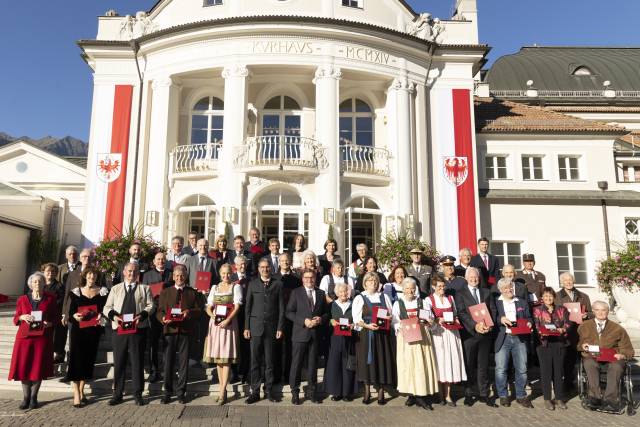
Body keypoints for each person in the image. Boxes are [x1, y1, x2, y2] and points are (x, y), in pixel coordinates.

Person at [103, 262, 154, 406]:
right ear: (124, 272)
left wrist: (142, 315)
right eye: (129, 271)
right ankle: (117, 394)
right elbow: (107, 307)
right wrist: (114, 316)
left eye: (134, 271)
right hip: (119, 331)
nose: (132, 274)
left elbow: (151, 305)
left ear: (138, 273)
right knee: (119, 362)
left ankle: (138, 394)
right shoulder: (115, 289)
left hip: (138, 331)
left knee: (137, 362)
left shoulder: (145, 289)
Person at [9, 272, 57, 410]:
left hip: (42, 339)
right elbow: (15, 318)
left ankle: (34, 397)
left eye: (40, 281)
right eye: (35, 282)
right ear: (30, 284)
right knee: (24, 367)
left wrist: (50, 324)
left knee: (38, 368)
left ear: (44, 283)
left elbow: (56, 317)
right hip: (24, 339)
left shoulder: (51, 299)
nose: (37, 284)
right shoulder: (22, 299)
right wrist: (22, 316)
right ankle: (25, 398)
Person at [577, 301, 634, 412]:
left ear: (608, 311)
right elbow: (579, 344)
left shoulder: (618, 328)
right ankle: (594, 397)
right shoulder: (584, 326)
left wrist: (622, 355)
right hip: (592, 357)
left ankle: (611, 400)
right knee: (589, 363)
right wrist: (582, 346)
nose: (601, 312)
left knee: (617, 366)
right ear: (593, 311)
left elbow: (628, 349)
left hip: (612, 358)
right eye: (597, 310)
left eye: (604, 310)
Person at [157, 265, 202, 404]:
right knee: (168, 363)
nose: (179, 278)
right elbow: (159, 311)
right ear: (173, 277)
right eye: (176, 275)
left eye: (182, 275)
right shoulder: (166, 292)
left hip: (185, 331)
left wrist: (189, 312)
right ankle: (167, 392)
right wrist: (163, 319)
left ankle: (181, 392)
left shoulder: (192, 292)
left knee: (183, 364)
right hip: (170, 331)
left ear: (185, 276)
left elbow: (199, 310)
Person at [392, 278, 438, 410]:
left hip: (421, 338)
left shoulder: (422, 302)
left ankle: (421, 396)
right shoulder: (398, 304)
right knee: (408, 365)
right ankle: (411, 394)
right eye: (407, 288)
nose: (410, 290)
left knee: (420, 365)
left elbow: (430, 318)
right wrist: (399, 326)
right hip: (406, 338)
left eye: (412, 288)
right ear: (403, 290)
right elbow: (394, 321)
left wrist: (428, 321)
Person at [244, 258, 285, 404]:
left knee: (269, 362)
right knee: (255, 361)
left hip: (272, 328)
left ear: (271, 269)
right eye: (262, 267)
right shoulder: (253, 283)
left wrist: (280, 327)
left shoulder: (278, 284)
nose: (264, 269)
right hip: (255, 328)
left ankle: (269, 391)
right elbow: (248, 307)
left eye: (267, 267)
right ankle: (254, 391)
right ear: (258, 269)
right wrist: (246, 327)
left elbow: (281, 308)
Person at [66, 267, 108, 407]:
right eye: (89, 274)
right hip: (78, 332)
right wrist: (74, 316)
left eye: (94, 274)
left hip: (93, 332)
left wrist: (102, 315)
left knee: (88, 361)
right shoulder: (76, 292)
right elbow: (71, 313)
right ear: (85, 276)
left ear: (97, 277)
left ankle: (82, 391)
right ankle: (76, 393)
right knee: (76, 361)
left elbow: (105, 310)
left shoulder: (102, 292)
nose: (92, 277)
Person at [454, 267, 496, 407]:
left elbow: (493, 310)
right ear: (466, 278)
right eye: (471, 277)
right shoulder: (460, 293)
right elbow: (461, 313)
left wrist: (490, 324)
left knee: (483, 365)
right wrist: (474, 325)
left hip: (485, 334)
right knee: (469, 364)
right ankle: (468, 393)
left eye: (476, 277)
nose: (474, 279)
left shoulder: (486, 292)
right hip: (470, 334)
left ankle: (483, 394)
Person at [287, 269, 329, 404]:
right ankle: (295, 392)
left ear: (315, 278)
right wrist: (303, 321)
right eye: (306, 277)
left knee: (313, 365)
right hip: (300, 333)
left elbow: (327, 314)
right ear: (302, 279)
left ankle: (312, 392)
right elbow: (289, 312)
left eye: (311, 277)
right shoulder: (296, 293)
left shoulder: (321, 293)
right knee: (296, 365)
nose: (309, 280)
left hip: (315, 335)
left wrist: (320, 319)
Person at [353, 271, 395, 405]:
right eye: (370, 281)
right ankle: (367, 392)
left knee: (381, 361)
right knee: (367, 363)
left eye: (375, 281)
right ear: (365, 284)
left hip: (382, 335)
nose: (373, 283)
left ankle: (381, 392)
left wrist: (389, 318)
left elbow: (391, 314)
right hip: (366, 334)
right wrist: (368, 325)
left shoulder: (384, 297)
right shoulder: (360, 298)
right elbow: (356, 320)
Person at [425, 274, 467, 406]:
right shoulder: (428, 300)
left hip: (451, 333)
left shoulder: (450, 298)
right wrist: (437, 320)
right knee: (440, 362)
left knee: (450, 362)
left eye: (443, 286)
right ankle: (439, 394)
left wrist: (456, 319)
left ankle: (448, 395)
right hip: (438, 334)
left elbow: (455, 314)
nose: (442, 288)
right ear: (433, 287)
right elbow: (428, 319)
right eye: (439, 286)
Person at [491, 278, 533, 408]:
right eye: (505, 288)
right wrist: (500, 319)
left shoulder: (521, 301)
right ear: (500, 290)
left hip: (519, 338)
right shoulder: (496, 303)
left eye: (510, 287)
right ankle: (503, 395)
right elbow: (492, 317)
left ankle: (521, 395)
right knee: (501, 369)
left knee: (522, 368)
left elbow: (528, 317)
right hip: (503, 338)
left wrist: (529, 323)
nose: (508, 290)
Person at [204, 263, 242, 404]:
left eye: (228, 273)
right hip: (215, 325)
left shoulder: (235, 287)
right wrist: (212, 316)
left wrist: (228, 320)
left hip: (229, 325)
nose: (226, 276)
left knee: (226, 359)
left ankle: (222, 392)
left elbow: (237, 306)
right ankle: (222, 389)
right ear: (220, 274)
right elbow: (208, 306)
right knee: (219, 360)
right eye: (223, 273)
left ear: (232, 273)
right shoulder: (215, 287)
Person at [532, 287, 570, 410]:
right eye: (545, 296)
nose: (548, 298)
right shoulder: (537, 310)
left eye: (550, 296)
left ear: (554, 297)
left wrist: (562, 329)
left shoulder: (561, 309)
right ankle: (547, 399)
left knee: (558, 372)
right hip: (544, 344)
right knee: (546, 372)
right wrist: (541, 332)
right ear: (542, 298)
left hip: (559, 343)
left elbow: (568, 323)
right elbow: (536, 325)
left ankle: (559, 398)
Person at [555, 271, 593, 392]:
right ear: (561, 282)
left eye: (570, 280)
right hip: (566, 332)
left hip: (581, 331)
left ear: (574, 281)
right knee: (567, 359)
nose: (568, 282)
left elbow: (592, 313)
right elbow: (554, 314)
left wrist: (586, 315)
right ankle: (568, 382)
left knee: (583, 358)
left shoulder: (583, 296)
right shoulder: (556, 297)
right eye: (565, 280)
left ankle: (586, 383)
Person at [142, 251, 173, 383]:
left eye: (163, 259)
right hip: (154, 313)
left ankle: (167, 370)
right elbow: (143, 293)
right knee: (153, 343)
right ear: (154, 262)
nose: (161, 261)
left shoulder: (171, 274)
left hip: (168, 312)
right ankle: (154, 371)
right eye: (158, 259)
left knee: (168, 342)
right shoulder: (147, 275)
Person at [323, 282, 357, 402]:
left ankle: (347, 393)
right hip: (335, 338)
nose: (344, 293)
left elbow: (358, 319)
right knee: (335, 364)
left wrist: (354, 325)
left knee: (348, 365)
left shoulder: (353, 305)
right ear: (337, 293)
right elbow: (325, 319)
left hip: (349, 339)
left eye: (345, 291)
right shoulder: (332, 305)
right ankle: (336, 392)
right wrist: (331, 322)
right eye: (341, 291)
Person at [273, 253, 301, 383]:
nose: (285, 262)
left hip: (291, 317)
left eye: (287, 260)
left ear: (290, 262)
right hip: (276, 316)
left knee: (289, 347)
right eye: (282, 260)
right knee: (276, 347)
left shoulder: (296, 278)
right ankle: (277, 376)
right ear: (279, 262)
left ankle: (288, 375)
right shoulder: (274, 278)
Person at [41, 263, 66, 363]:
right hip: (41, 317)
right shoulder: (39, 284)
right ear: (43, 272)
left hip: (54, 317)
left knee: (56, 340)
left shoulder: (59, 286)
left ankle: (57, 358)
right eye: (48, 271)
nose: (50, 273)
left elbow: (60, 302)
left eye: (53, 272)